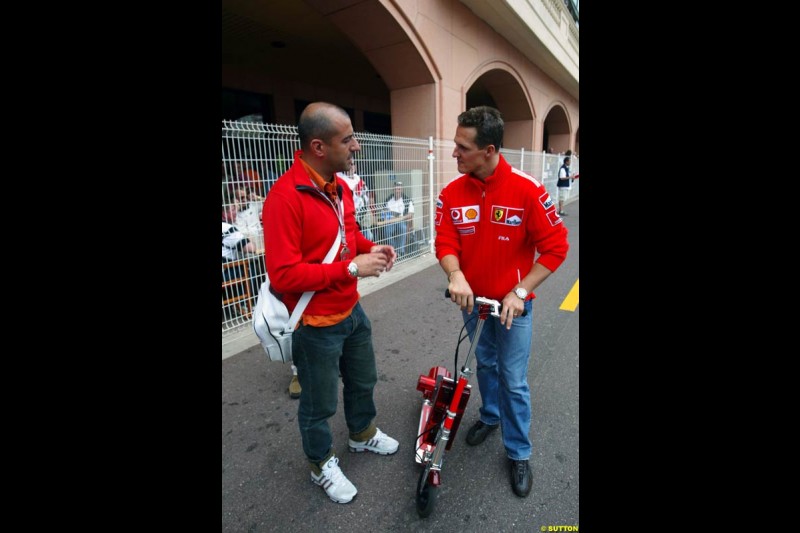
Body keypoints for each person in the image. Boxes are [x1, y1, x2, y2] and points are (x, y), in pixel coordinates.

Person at [262, 101, 400, 505]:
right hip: (314, 323)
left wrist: (373, 248)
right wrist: (352, 270)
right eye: (348, 139)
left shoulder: (340, 187)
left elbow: (348, 238)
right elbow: (284, 275)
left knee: (363, 380)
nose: (356, 146)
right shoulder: (284, 198)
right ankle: (321, 463)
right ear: (318, 147)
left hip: (351, 311)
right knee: (318, 404)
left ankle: (361, 435)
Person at [434, 105, 569, 499]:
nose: (454, 153)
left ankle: (518, 451)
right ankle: (490, 417)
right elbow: (445, 241)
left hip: (514, 308)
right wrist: (455, 273)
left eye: (462, 147)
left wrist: (521, 290)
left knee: (514, 380)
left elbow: (556, 248)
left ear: (489, 150)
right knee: (486, 364)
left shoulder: (527, 189)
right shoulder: (452, 192)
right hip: (474, 305)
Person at [383, 181, 414, 256]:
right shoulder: (388, 199)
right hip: (391, 221)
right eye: (396, 189)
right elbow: (383, 212)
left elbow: (410, 214)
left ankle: (401, 251)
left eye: (399, 189)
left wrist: (401, 218)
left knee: (403, 228)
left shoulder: (407, 200)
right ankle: (394, 250)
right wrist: (389, 216)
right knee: (386, 230)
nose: (397, 191)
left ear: (402, 190)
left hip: (402, 221)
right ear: (393, 189)